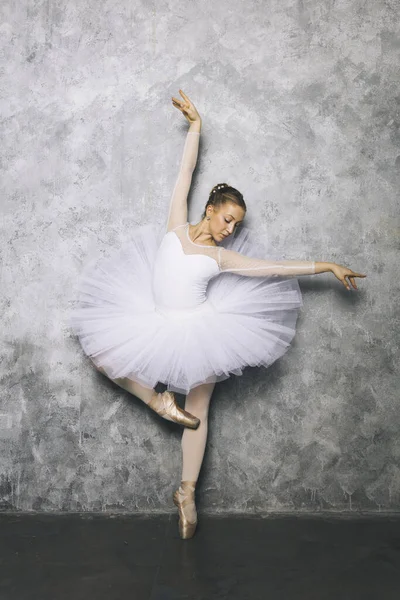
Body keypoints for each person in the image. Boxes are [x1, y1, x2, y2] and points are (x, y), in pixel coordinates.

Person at [70, 89, 366, 539]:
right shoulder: (175, 225)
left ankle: (186, 492)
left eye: (237, 225)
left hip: (200, 329)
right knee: (102, 354)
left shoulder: (222, 259)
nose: (231, 230)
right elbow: (184, 173)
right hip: (152, 318)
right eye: (227, 219)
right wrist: (195, 126)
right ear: (209, 211)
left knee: (200, 407)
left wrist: (324, 264)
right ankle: (157, 401)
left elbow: (275, 268)